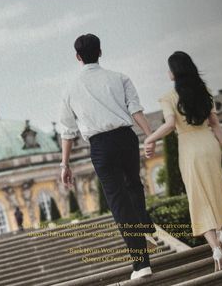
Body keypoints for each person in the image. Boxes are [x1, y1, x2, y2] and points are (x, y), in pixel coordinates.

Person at [59, 34, 157, 279]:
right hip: (126, 137)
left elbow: (68, 131)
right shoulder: (120, 78)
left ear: (77, 57)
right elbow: (136, 110)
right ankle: (144, 226)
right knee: (134, 184)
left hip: (100, 145)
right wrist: (150, 136)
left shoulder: (70, 88)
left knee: (118, 202)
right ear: (100, 52)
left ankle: (141, 264)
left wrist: (65, 164)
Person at [144, 51, 222, 272]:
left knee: (198, 197)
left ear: (173, 73)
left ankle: (216, 249)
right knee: (215, 190)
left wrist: (150, 138)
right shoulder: (205, 92)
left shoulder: (169, 98)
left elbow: (170, 125)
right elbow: (216, 125)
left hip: (190, 149)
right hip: (210, 145)